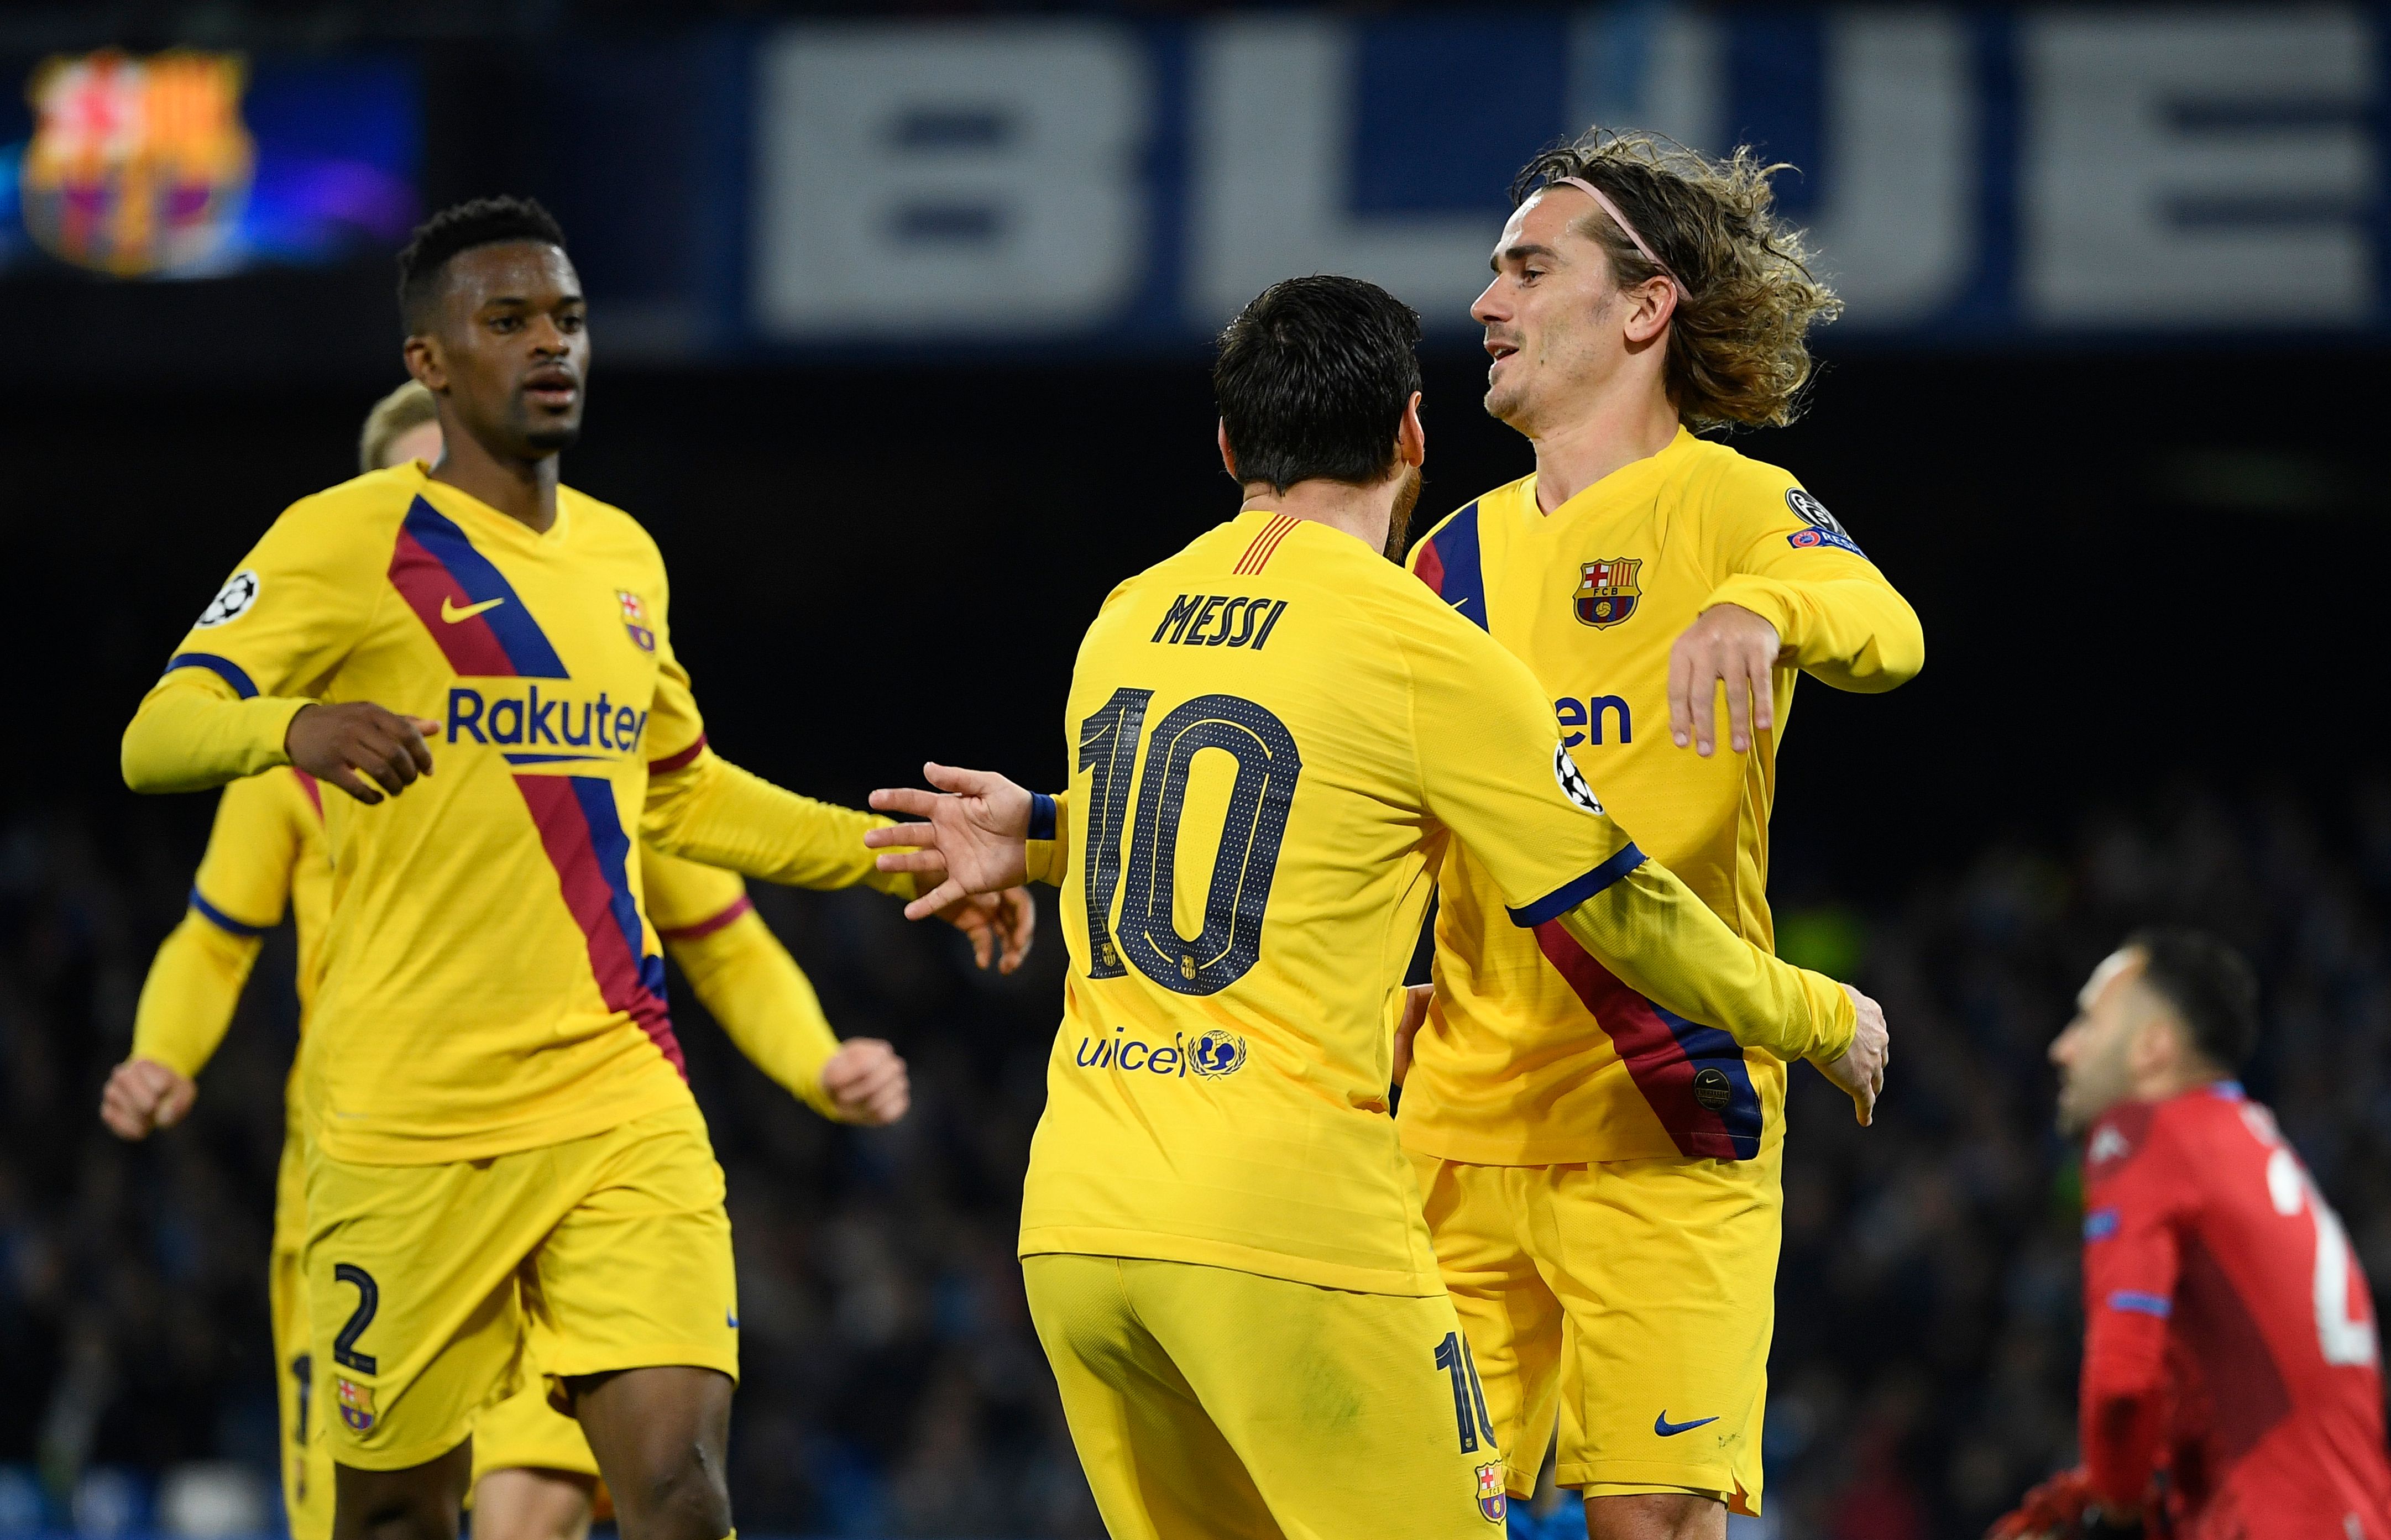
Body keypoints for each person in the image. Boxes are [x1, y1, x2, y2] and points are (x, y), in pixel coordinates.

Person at [857, 274, 1888, 1540]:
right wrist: (1810, 1013)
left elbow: (1247, 830)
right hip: (1286, 1234)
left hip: (1078, 1228)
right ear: (1410, 432)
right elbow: (1616, 909)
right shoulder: (1423, 647)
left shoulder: (1123, 623)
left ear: (1230, 446)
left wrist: (1048, 835)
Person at [117, 196, 1029, 1540]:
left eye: (569, 320)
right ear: (429, 361)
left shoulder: (622, 557)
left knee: (676, 1491)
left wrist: (888, 852)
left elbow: (682, 796)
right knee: (397, 1515)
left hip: (614, 1098)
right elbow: (157, 735)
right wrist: (293, 724)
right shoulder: (343, 538)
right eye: (508, 323)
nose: (552, 347)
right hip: (403, 1131)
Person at [1391, 127, 1926, 1535]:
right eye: (1490, 274)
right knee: (1410, 1516)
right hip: (1453, 1132)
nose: (1483, 305)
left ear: (1641, 308)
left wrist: (1763, 608)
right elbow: (1332, 782)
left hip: (1661, 1111)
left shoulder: (1729, 504)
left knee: (1650, 1524)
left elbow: (1887, 630)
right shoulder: (1443, 558)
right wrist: (1039, 835)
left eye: (1522, 268)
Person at [1989, 930, 2391, 1540]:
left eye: (2087, 1022)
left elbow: (2122, 1379)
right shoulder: (2246, 1143)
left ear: (2152, 1047)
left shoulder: (2144, 1130)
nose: (2061, 1048)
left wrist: (2116, 1502)